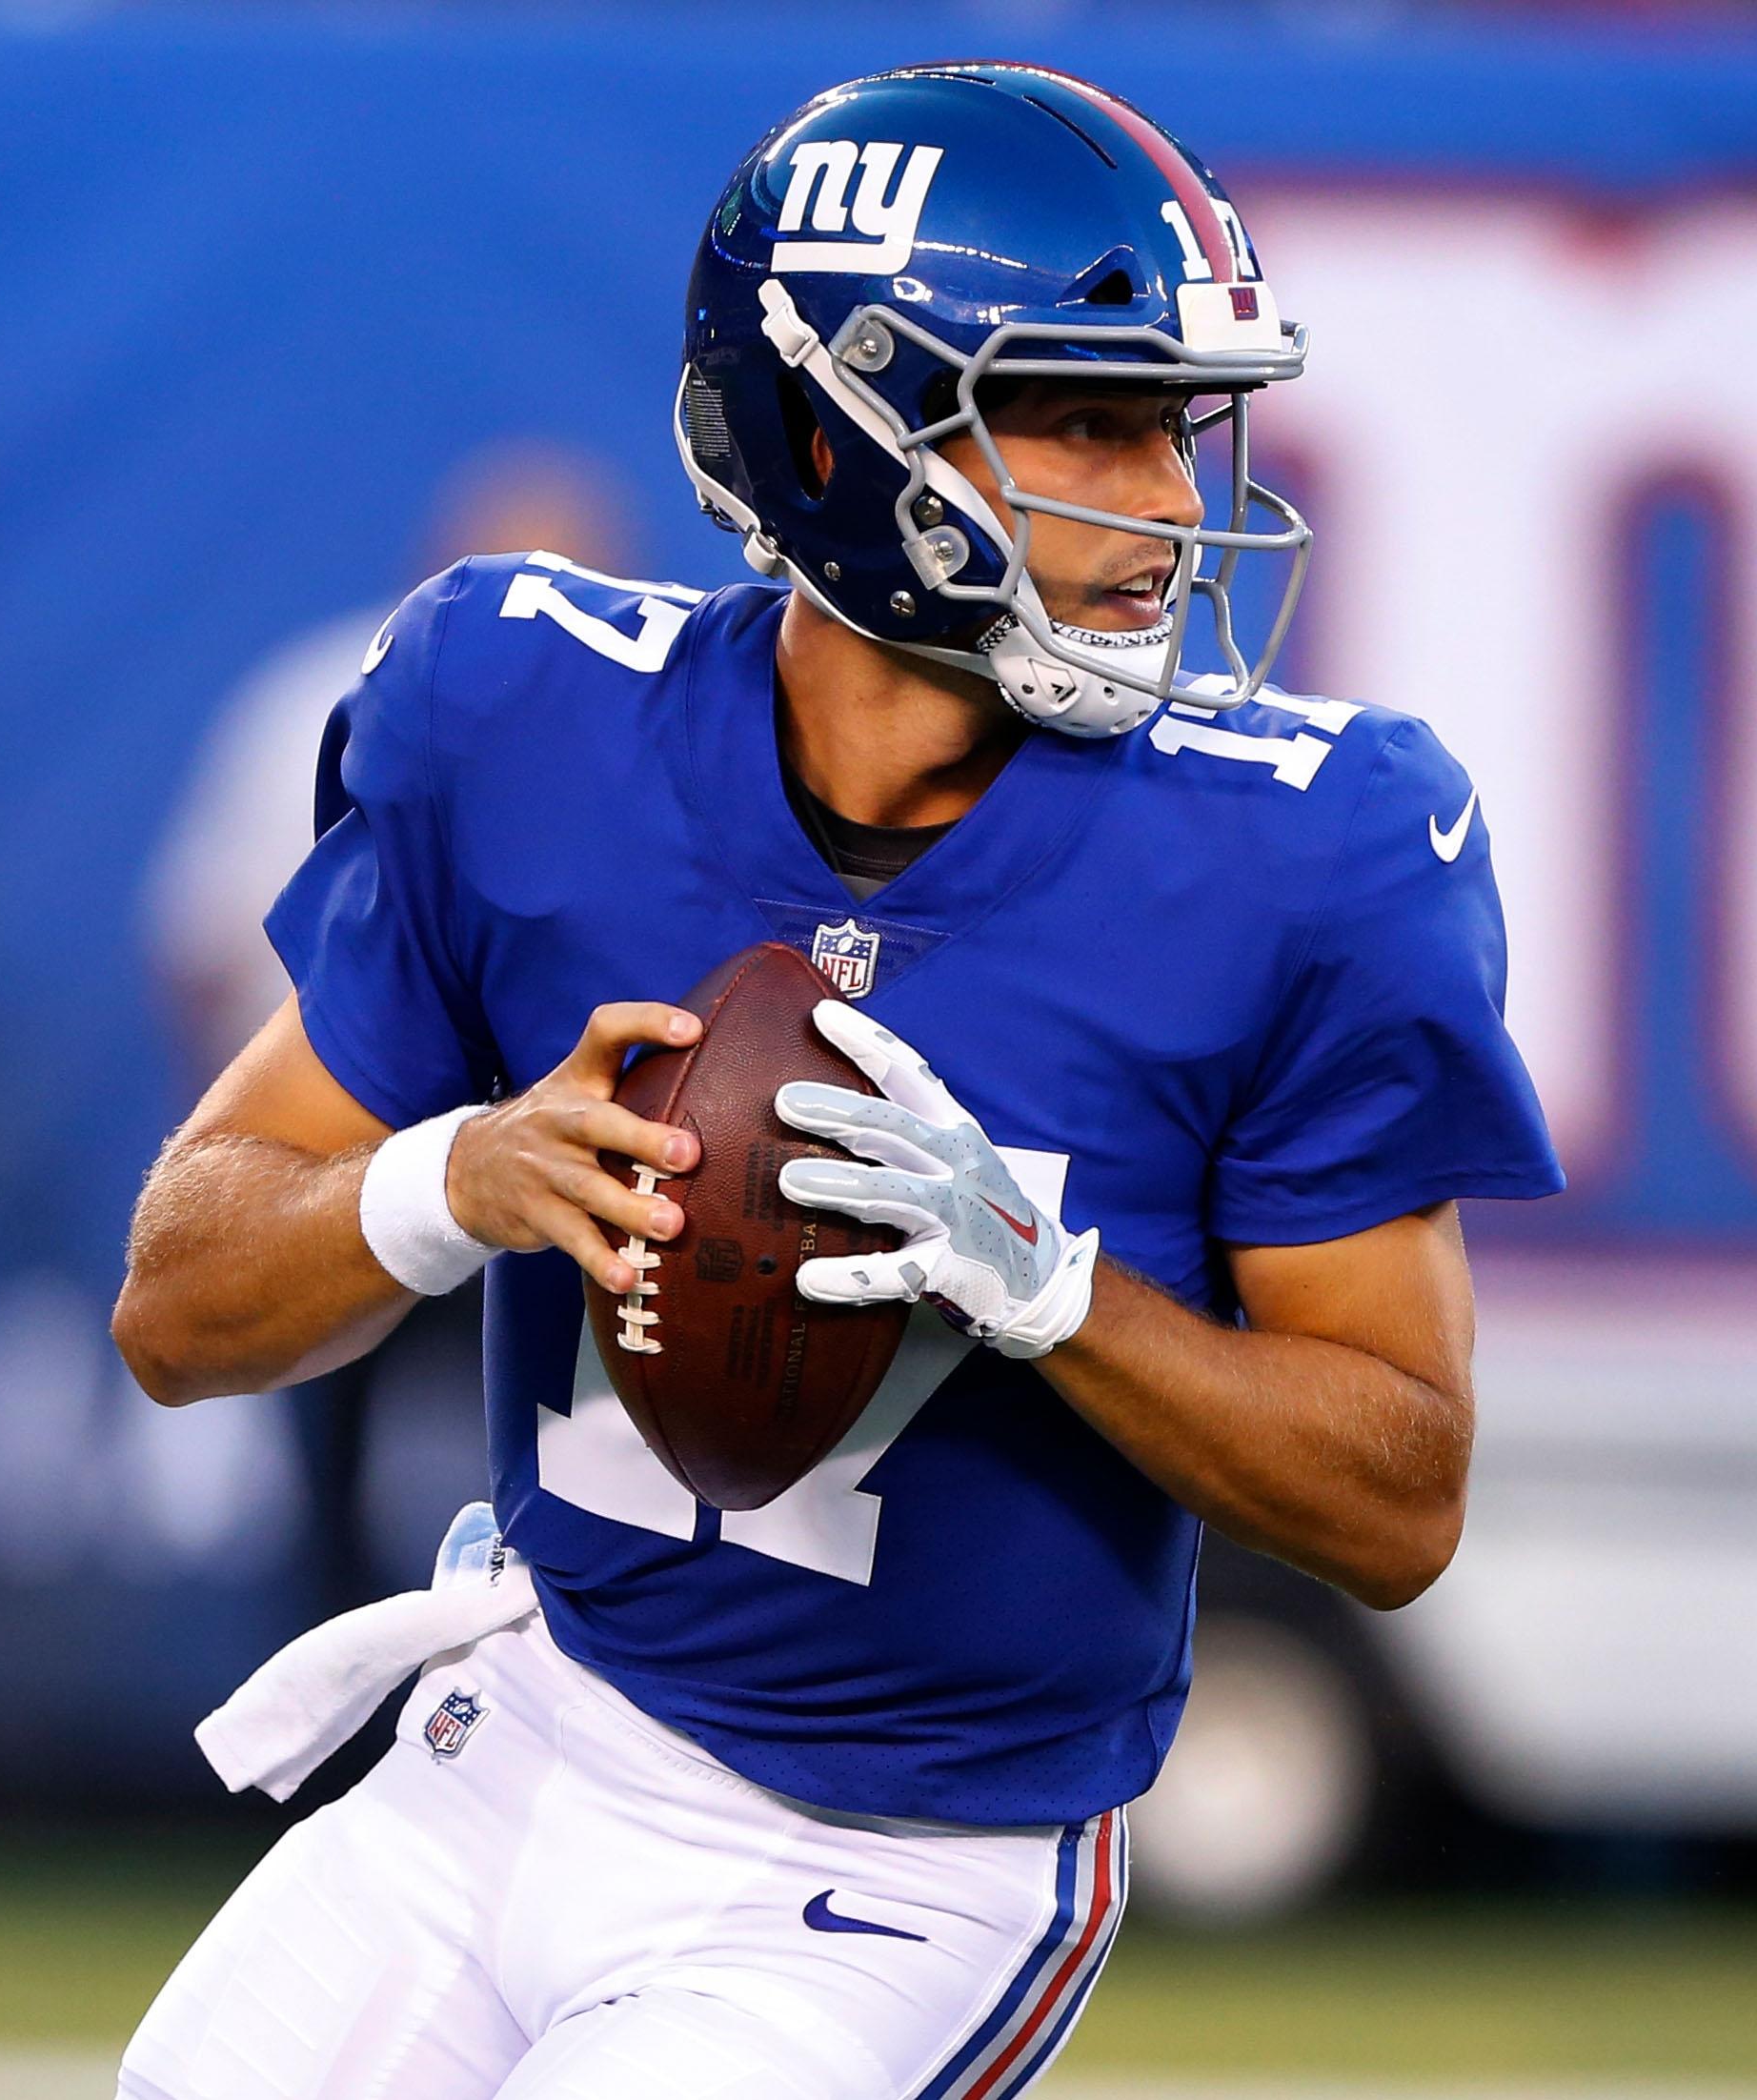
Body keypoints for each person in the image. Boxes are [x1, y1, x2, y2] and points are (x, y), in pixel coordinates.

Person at [110, 62, 1560, 2100]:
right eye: (1083, 414)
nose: (1167, 498)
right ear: (829, 428)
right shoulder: (528, 718)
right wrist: (460, 1176)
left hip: (899, 1870)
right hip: (524, 1737)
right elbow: (178, 1305)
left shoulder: (1303, 857)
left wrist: (1058, 1297)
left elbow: (1399, 1488)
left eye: (1179, 423)